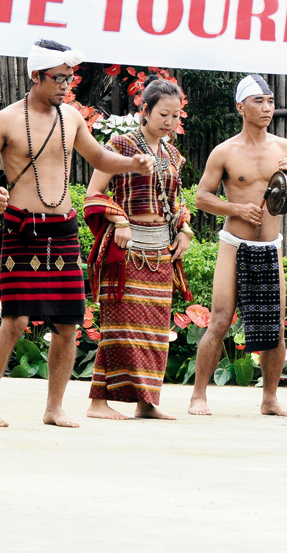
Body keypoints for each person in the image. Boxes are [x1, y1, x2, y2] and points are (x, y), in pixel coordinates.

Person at [0, 40, 152, 428]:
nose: (64, 86)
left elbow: (99, 157)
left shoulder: (71, 117)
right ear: (35, 76)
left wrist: (132, 164)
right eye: (57, 78)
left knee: (69, 323)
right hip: (21, 230)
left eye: (68, 79)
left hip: (63, 229)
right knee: (16, 320)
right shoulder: (4, 120)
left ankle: (54, 407)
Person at [188, 74, 287, 417]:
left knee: (275, 324)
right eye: (259, 101)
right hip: (234, 243)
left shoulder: (284, 148)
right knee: (220, 319)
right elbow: (201, 197)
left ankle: (270, 399)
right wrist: (237, 208)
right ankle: (199, 395)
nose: (267, 108)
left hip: (271, 245)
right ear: (240, 106)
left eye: (270, 101)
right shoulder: (225, 151)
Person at [83, 76, 194, 421]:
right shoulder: (121, 144)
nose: (170, 122)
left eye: (175, 116)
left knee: (156, 331)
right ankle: (98, 402)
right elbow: (93, 194)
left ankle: (147, 402)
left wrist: (185, 229)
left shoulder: (173, 153)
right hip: (128, 250)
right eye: (164, 114)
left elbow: (175, 201)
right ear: (144, 110)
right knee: (120, 328)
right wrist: (120, 220)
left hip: (161, 251)